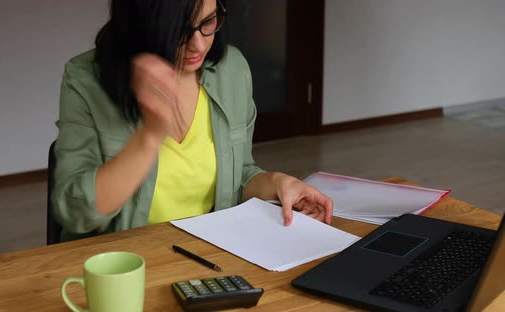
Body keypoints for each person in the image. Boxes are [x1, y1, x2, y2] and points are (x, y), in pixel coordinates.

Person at [52, 0, 333, 242]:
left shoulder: (231, 69)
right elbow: (77, 214)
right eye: (180, 31)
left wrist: (277, 182)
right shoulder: (86, 79)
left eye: (208, 21)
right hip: (123, 267)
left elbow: (237, 177)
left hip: (209, 254)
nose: (199, 44)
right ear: (141, 25)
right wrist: (149, 136)